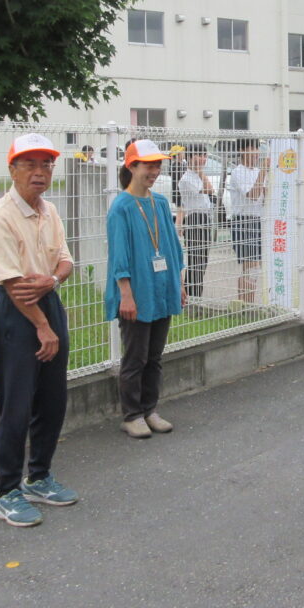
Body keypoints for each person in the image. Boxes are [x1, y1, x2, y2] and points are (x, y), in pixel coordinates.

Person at [0, 133, 77, 528]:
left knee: (53, 399)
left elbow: (66, 261)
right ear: (13, 170)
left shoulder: (49, 211)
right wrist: (43, 327)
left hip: (48, 302)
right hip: (16, 313)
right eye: (30, 164)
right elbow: (14, 285)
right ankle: (6, 491)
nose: (40, 172)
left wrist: (52, 281)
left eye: (46, 165)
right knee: (16, 403)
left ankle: (39, 477)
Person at [106, 140, 185, 439]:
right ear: (132, 166)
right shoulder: (121, 208)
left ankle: (150, 409)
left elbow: (172, 246)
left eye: (158, 165)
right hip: (137, 292)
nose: (154, 171)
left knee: (154, 356)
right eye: (148, 165)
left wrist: (179, 283)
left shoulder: (160, 203)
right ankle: (132, 415)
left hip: (161, 288)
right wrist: (125, 294)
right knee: (135, 357)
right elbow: (119, 256)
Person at [227, 138, 267, 304]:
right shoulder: (238, 172)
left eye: (257, 148)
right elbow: (252, 195)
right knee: (250, 266)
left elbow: (265, 198)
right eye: (252, 148)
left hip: (256, 220)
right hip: (243, 221)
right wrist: (263, 172)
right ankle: (245, 305)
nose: (256, 152)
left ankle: (246, 305)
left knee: (253, 268)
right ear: (242, 150)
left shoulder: (257, 171)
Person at [177, 143, 215, 302]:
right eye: (199, 155)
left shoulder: (198, 175)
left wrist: (200, 172)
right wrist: (200, 171)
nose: (203, 159)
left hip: (205, 218)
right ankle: (191, 299)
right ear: (190, 157)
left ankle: (195, 299)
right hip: (195, 219)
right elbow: (209, 189)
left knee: (202, 261)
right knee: (196, 262)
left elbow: (210, 190)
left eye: (205, 155)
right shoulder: (186, 179)